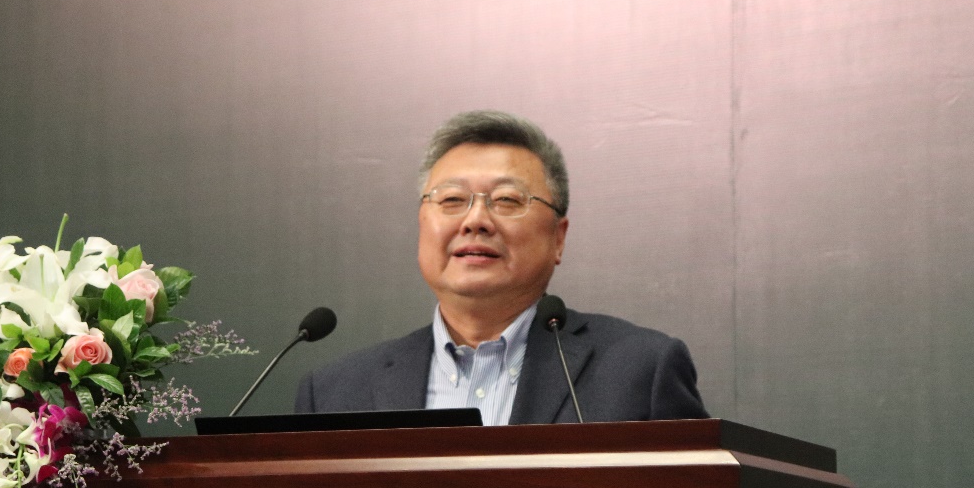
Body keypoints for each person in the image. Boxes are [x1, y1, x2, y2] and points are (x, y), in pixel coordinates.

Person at [294, 110, 708, 424]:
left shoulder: (640, 371)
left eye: (507, 200)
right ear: (421, 223)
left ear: (558, 237)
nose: (475, 220)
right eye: (451, 200)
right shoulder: (335, 394)